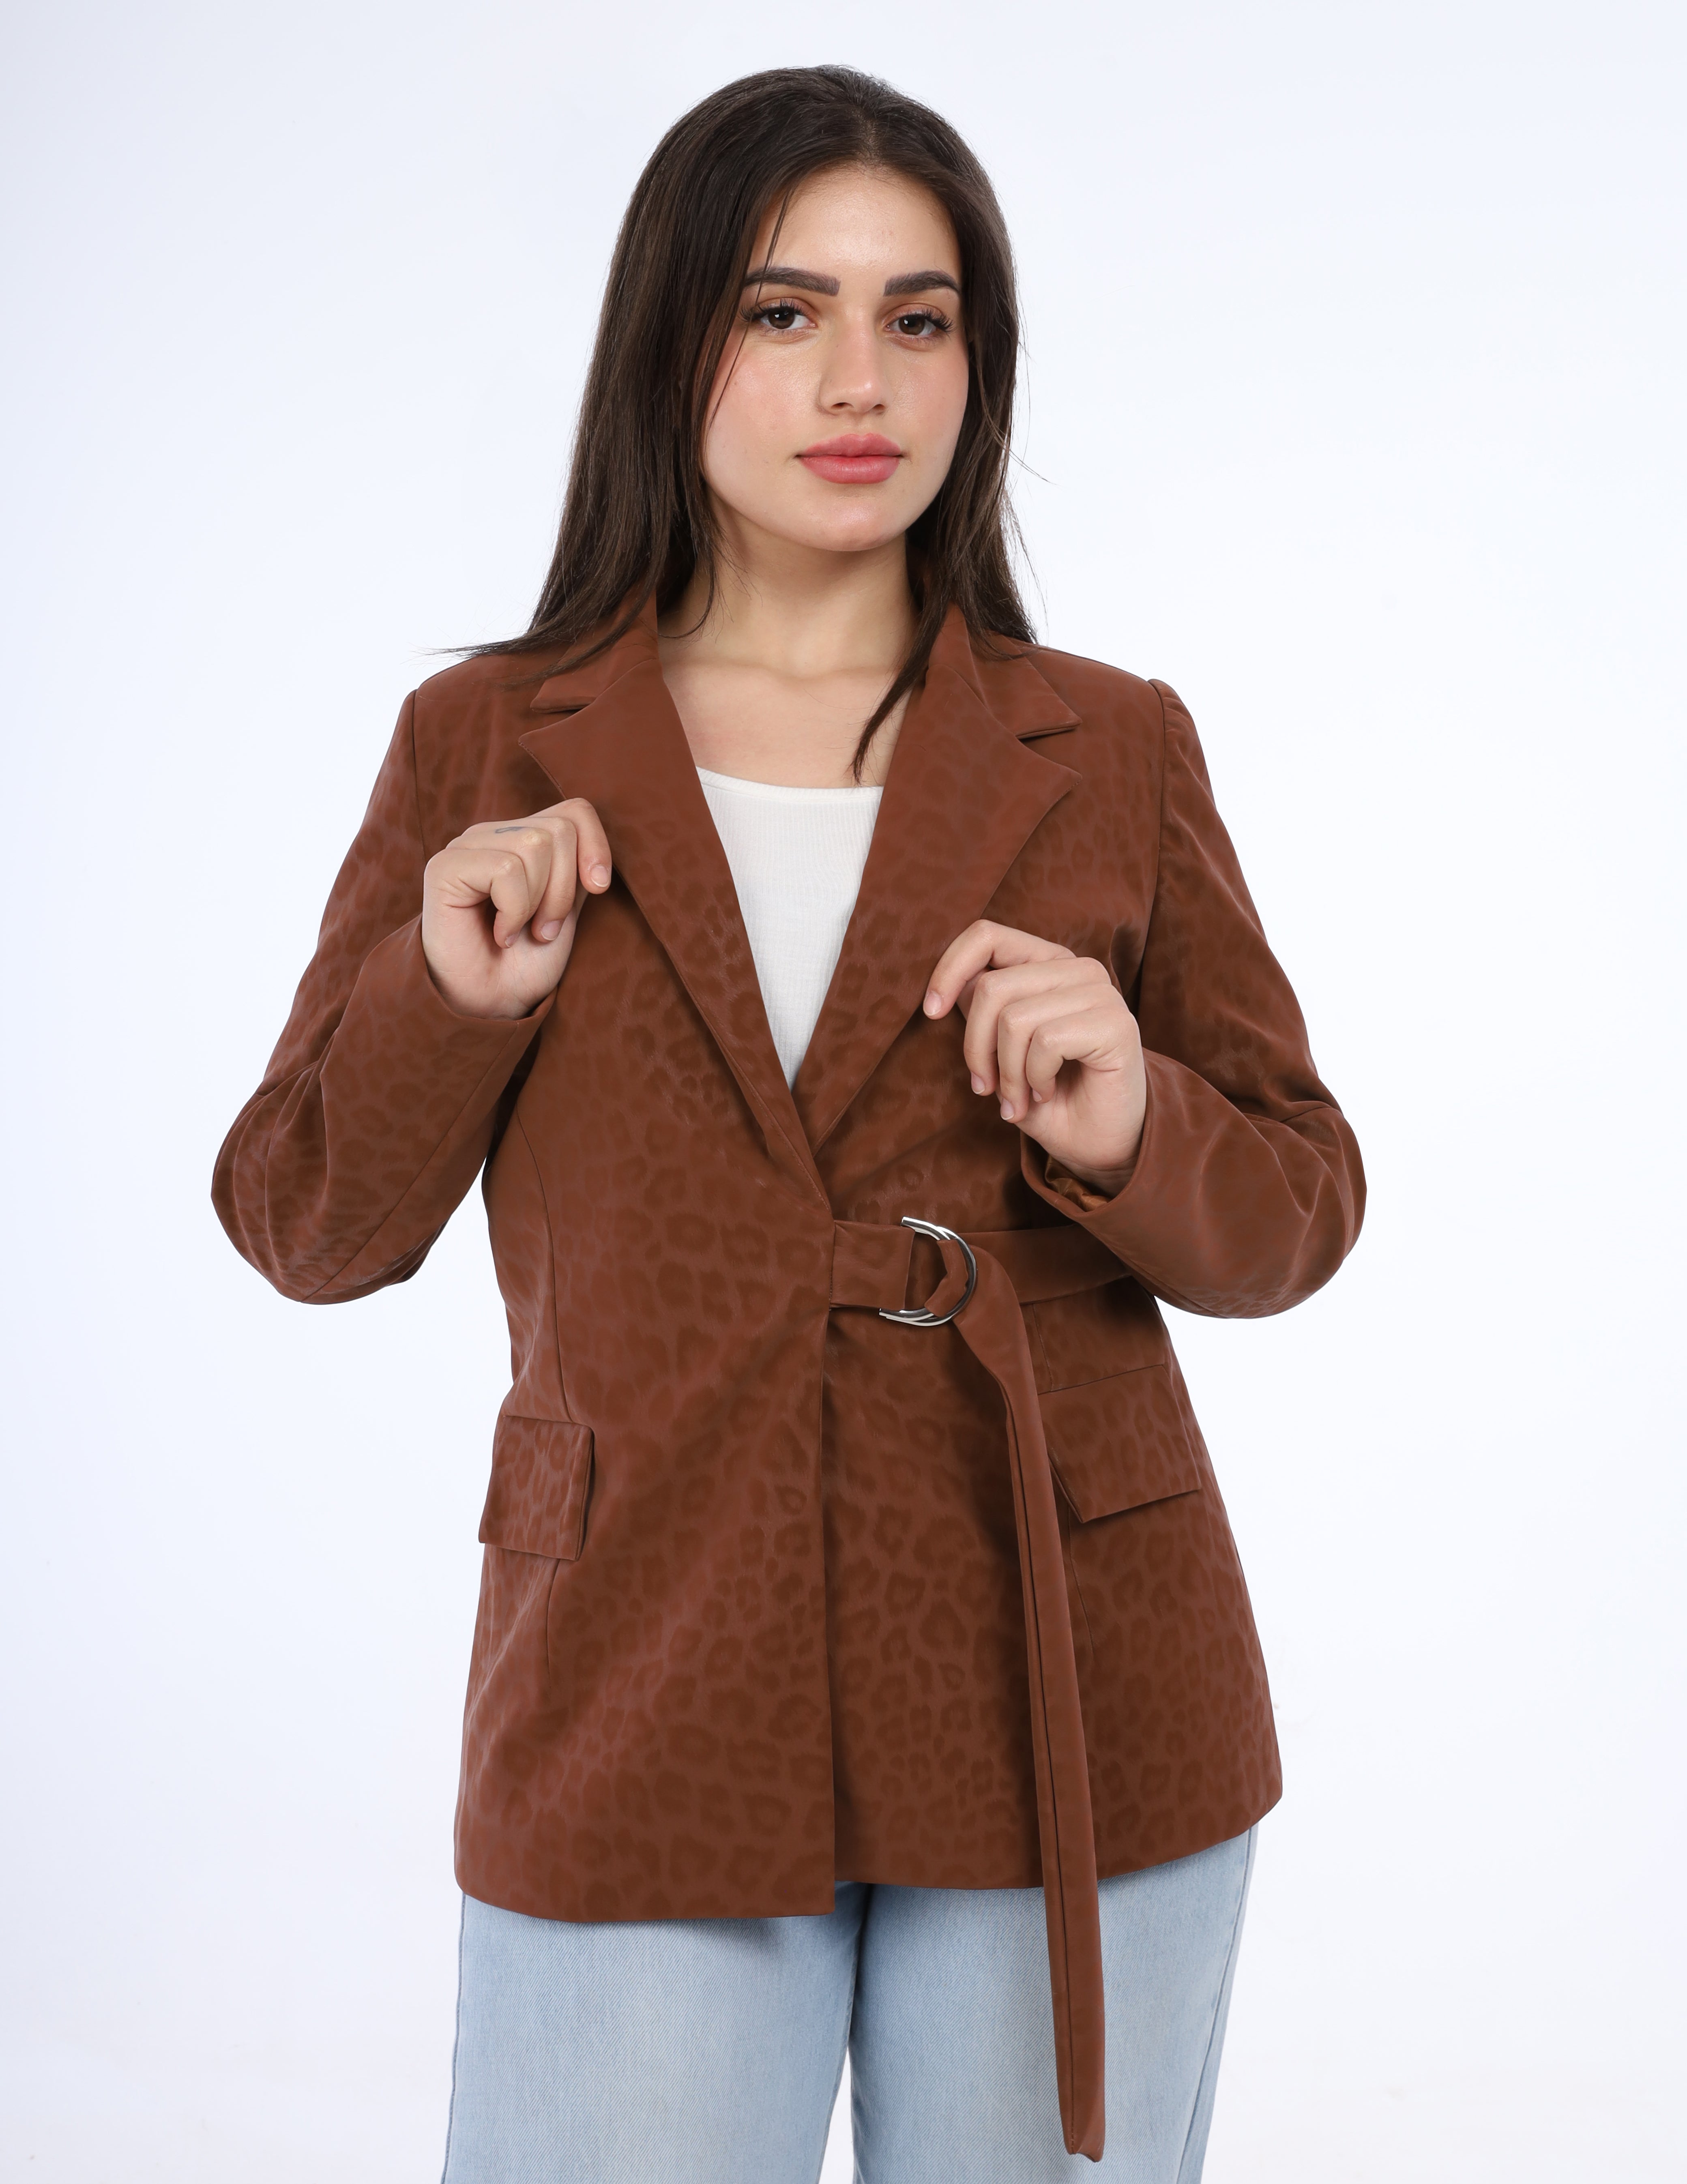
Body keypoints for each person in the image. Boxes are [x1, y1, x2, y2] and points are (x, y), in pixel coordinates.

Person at [213, 63, 1365, 2184]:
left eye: (920, 318)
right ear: (673, 342)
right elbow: (306, 1220)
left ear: (977, 365)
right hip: (643, 1665)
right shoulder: (487, 739)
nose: (862, 381)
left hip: (1067, 1669)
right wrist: (449, 1001)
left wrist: (1134, 1119)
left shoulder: (1110, 747)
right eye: (783, 310)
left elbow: (1299, 1210)